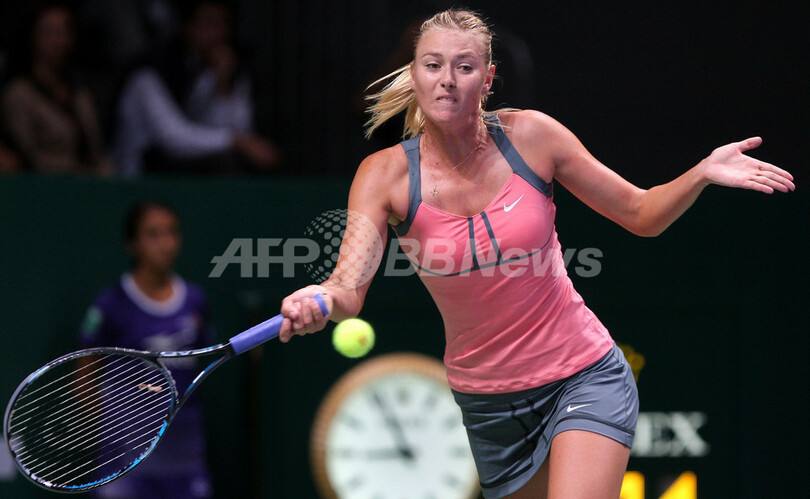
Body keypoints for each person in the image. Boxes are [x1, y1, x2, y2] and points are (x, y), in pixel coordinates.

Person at [277, 9, 794, 499]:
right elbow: (348, 288)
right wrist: (318, 300)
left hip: (582, 373)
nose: (448, 80)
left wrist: (701, 172)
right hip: (489, 406)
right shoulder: (383, 175)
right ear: (414, 75)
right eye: (433, 65)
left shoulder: (533, 137)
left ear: (488, 79)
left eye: (464, 67)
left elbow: (641, 214)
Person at [79, 200, 213, 498]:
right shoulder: (110, 305)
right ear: (133, 244)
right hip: (124, 462)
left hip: (184, 458)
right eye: (153, 234)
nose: (165, 243)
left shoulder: (196, 300)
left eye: (171, 232)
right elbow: (84, 381)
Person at [111, 0, 279, 176]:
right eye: (209, 23)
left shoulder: (223, 68)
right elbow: (172, 139)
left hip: (188, 173)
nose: (218, 33)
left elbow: (236, 132)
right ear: (187, 27)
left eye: (223, 23)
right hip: (137, 176)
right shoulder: (149, 72)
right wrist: (235, 142)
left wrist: (223, 87)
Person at [0, 1, 111, 174]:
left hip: (89, 181)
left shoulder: (79, 92)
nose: (58, 41)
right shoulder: (18, 94)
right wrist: (77, 172)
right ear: (32, 37)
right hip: (46, 183)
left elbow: (95, 149)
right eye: (49, 33)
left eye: (64, 32)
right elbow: (27, 156)